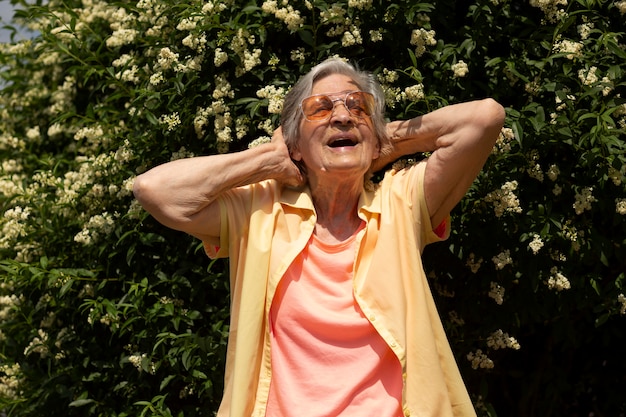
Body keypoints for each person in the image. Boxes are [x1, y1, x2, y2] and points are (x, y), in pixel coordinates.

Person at [133, 58, 505, 417]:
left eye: (358, 107)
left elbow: (483, 118)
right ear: (295, 146)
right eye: (321, 108)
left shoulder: (400, 202)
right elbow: (156, 190)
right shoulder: (259, 212)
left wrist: (381, 139)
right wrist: (268, 159)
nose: (342, 116)